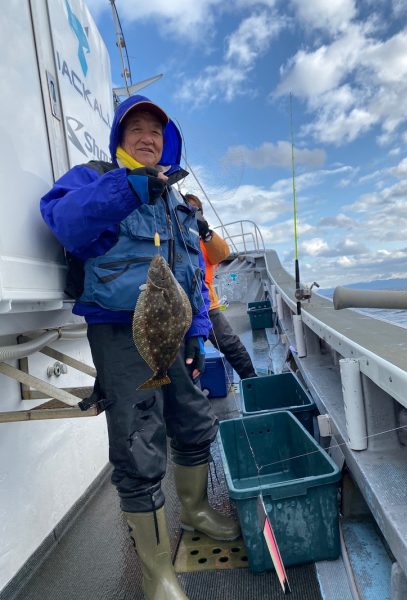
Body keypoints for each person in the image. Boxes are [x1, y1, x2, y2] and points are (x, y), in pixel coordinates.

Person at [40, 95, 239, 600]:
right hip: (120, 331)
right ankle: (156, 570)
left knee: (195, 417)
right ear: (120, 138)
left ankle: (193, 510)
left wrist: (196, 332)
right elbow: (64, 219)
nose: (147, 137)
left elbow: (192, 273)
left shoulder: (176, 202)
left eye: (156, 130)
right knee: (137, 439)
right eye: (136, 129)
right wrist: (124, 191)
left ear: (165, 142)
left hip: (173, 331)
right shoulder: (95, 177)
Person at [184, 194, 257, 381]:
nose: (191, 213)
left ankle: (252, 380)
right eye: (186, 208)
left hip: (207, 305)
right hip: (180, 309)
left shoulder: (203, 239)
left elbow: (222, 253)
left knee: (231, 345)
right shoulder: (172, 235)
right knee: (187, 358)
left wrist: (205, 231)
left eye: (196, 210)